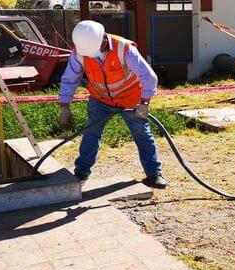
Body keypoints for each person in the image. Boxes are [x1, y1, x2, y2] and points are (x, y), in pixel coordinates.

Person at [58, 20, 166, 189]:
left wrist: (144, 103)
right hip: (100, 100)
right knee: (91, 134)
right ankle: (81, 172)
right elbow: (69, 79)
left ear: (103, 39)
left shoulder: (124, 49)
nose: (91, 56)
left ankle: (153, 174)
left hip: (130, 100)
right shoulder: (80, 53)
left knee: (142, 135)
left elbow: (149, 77)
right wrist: (64, 106)